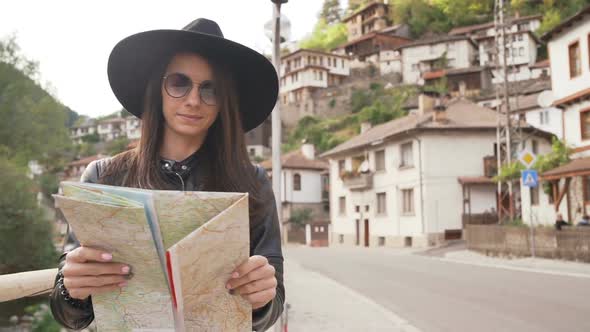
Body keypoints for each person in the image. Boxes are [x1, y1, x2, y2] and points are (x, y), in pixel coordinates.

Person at [49, 18, 284, 331]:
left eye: (210, 89)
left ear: (223, 102)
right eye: (179, 83)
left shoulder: (252, 181)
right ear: (157, 88)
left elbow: (274, 299)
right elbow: (70, 313)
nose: (193, 100)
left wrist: (262, 297)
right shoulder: (103, 177)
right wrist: (71, 289)